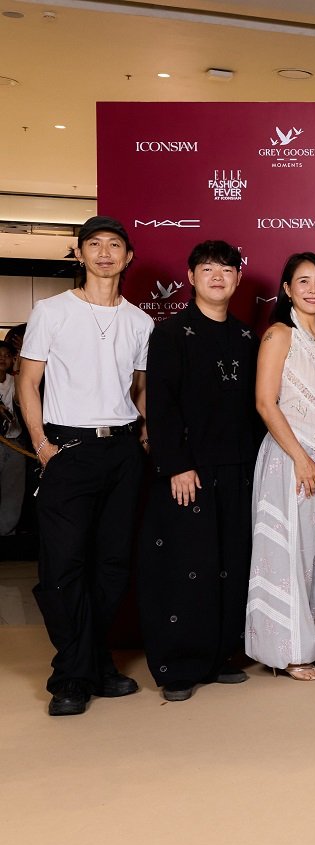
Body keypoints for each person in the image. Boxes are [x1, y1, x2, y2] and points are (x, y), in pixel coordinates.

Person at [18, 216, 153, 716]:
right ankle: (71, 675)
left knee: (113, 566)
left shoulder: (140, 321)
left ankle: (93, 662)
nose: (103, 253)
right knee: (62, 566)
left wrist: (141, 435)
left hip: (120, 451)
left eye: (113, 245)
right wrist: (41, 444)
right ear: (79, 255)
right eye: (93, 245)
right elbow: (28, 382)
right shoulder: (51, 311)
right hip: (67, 449)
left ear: (128, 257)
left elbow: (138, 388)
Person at [139, 240, 262, 702]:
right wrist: (176, 465)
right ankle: (178, 667)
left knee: (231, 563)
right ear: (190, 277)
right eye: (207, 268)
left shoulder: (248, 337)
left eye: (226, 269)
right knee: (185, 565)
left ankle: (219, 657)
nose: (217, 276)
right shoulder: (170, 334)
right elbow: (162, 405)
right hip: (188, 470)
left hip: (238, 468)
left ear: (237, 278)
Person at [244, 253, 315, 681]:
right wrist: (301, 457)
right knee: (288, 552)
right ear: (287, 289)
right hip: (291, 458)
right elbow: (264, 403)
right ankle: (288, 652)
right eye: (302, 281)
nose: (313, 289)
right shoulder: (278, 334)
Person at [0, 342, 26, 536]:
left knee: (13, 490)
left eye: (7, 355)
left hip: (15, 443)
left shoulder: (14, 379)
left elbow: (20, 400)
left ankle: (7, 534)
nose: (2, 358)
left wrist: (17, 369)